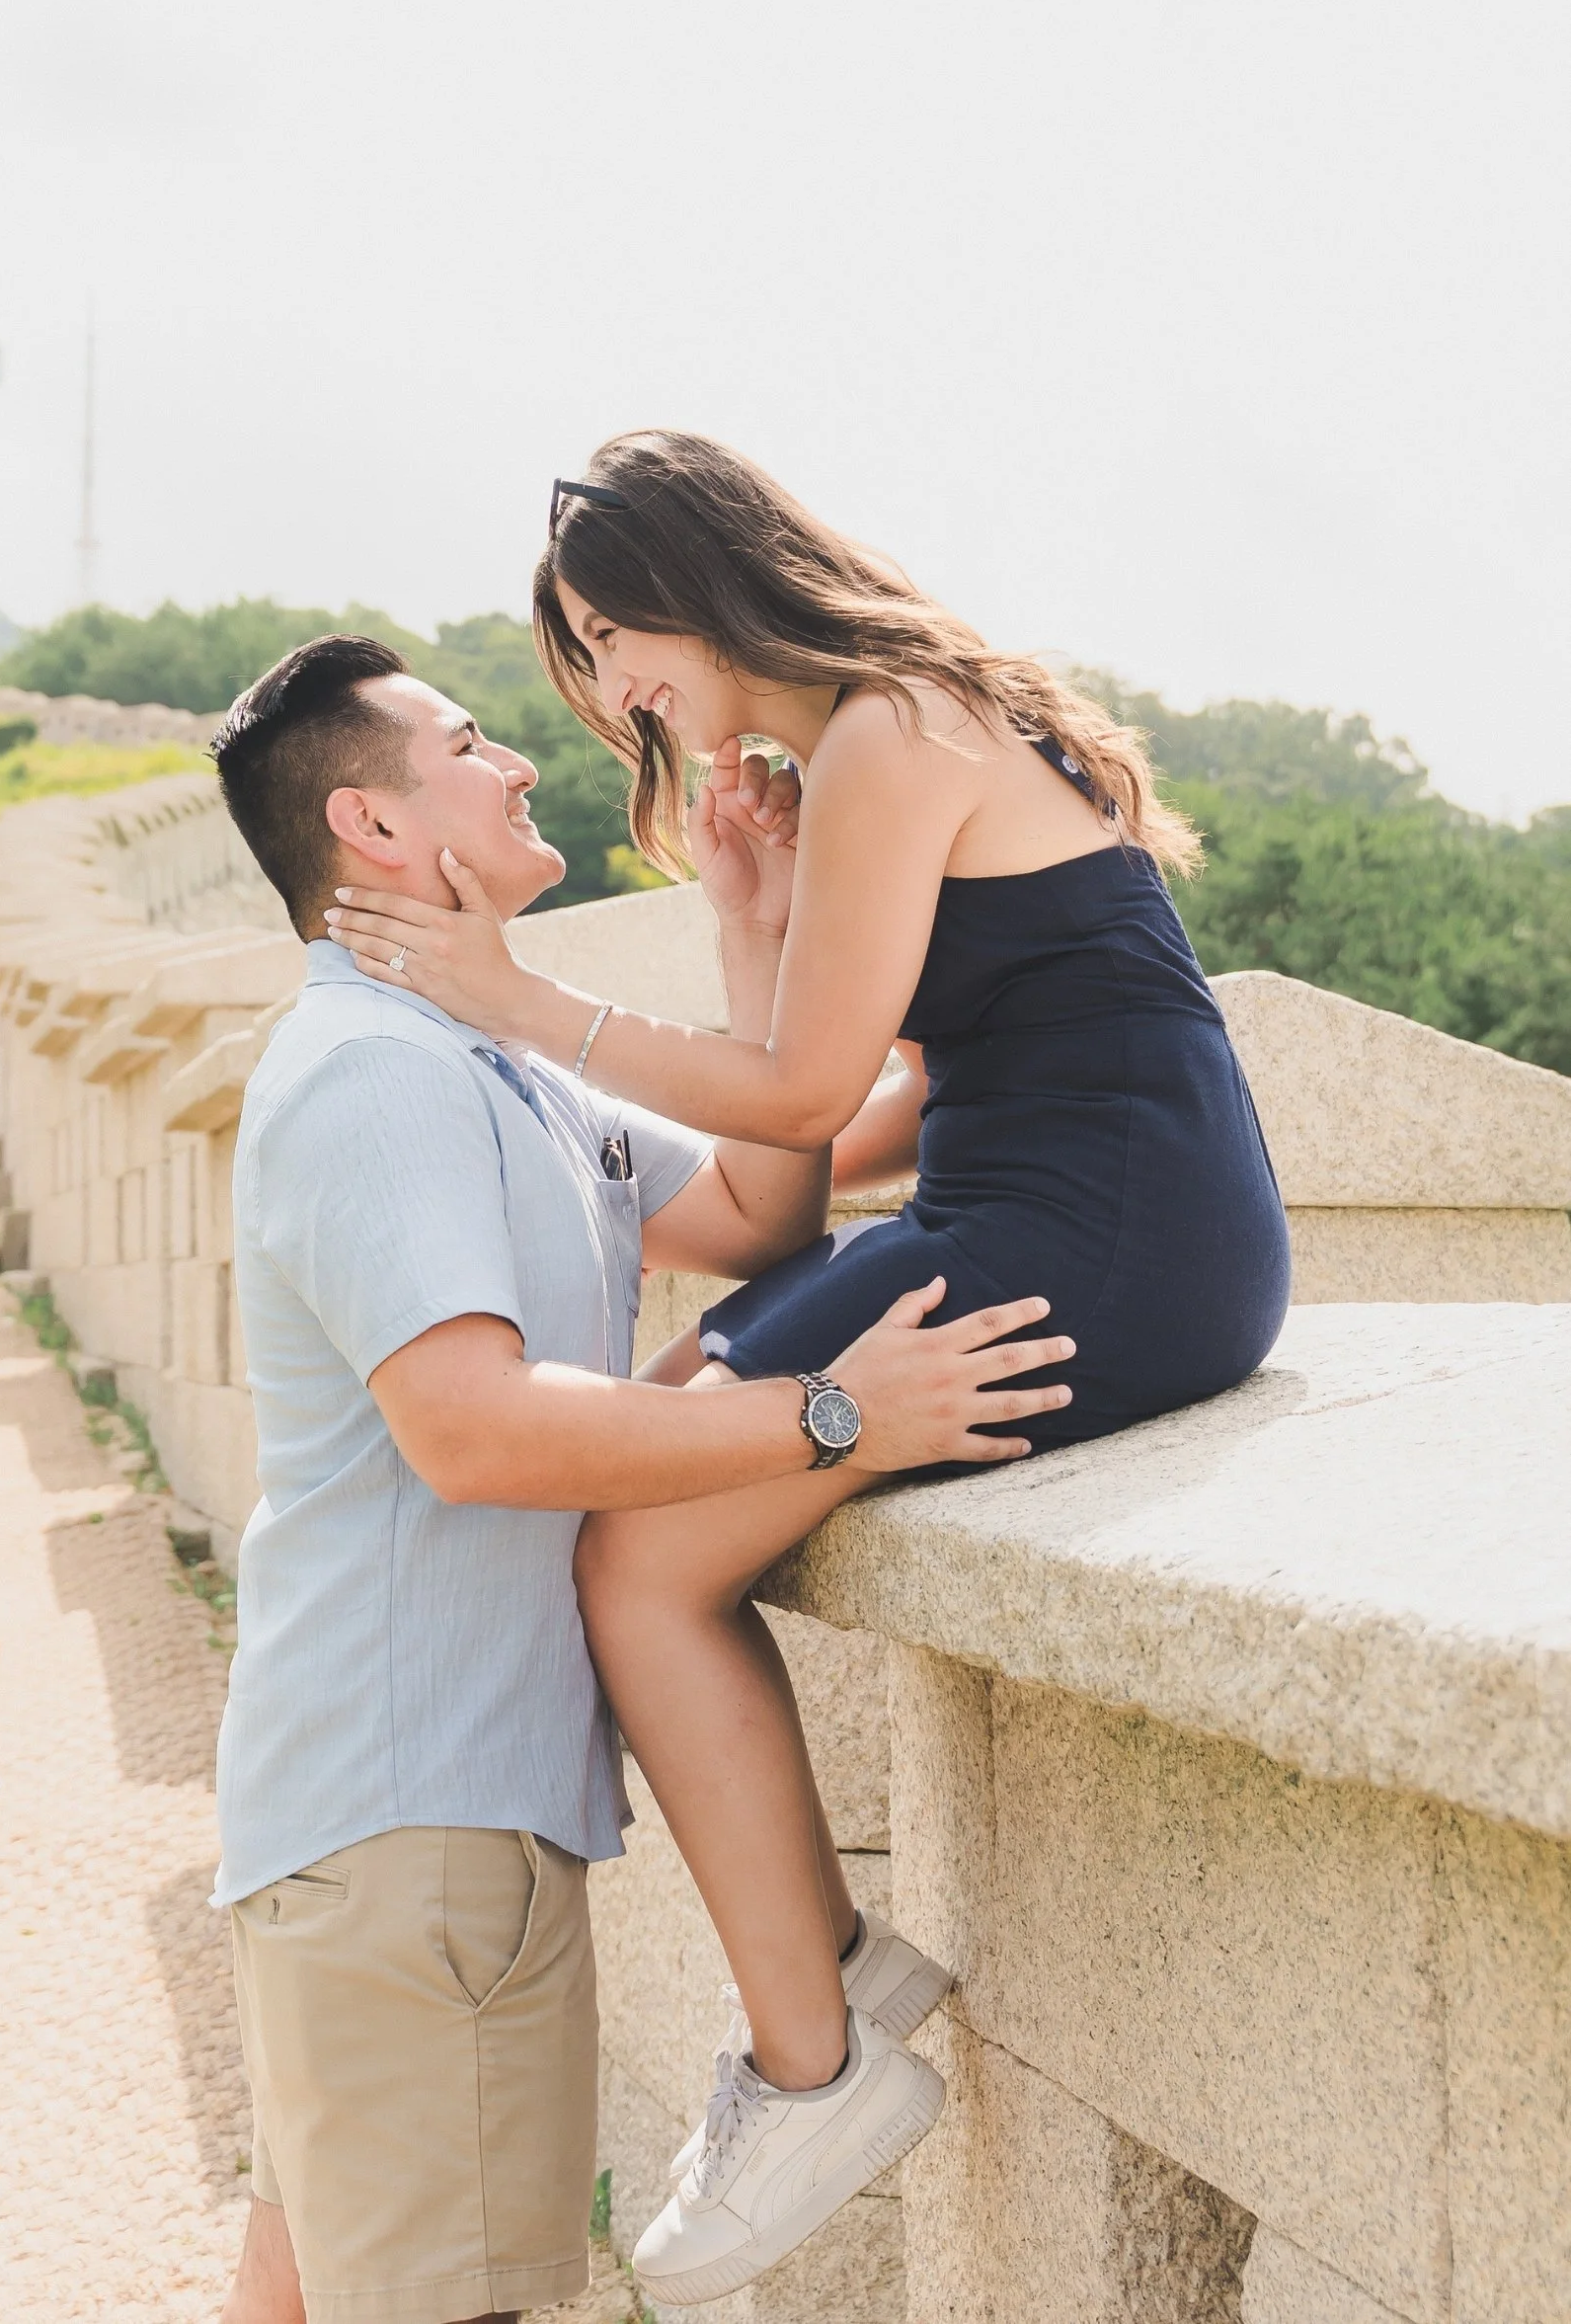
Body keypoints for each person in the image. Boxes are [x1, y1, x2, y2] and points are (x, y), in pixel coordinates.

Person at [320, 434, 1295, 2300]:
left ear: (702, 578)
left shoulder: (892, 733)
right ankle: (824, 1962)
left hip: (1098, 1232)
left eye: (608, 638)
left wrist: (509, 996)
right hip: (1080, 1203)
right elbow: (844, 1121)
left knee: (636, 1545)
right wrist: (750, 924)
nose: (611, 695)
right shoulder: (878, 738)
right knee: (658, 1454)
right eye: (579, 662)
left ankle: (814, 2061)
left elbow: (794, 1098)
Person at [205, 632, 1076, 2324]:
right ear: (374, 829)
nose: (522, 761)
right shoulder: (376, 1078)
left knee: (297, 2298)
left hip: (390, 1815)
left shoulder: (496, 1057)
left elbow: (758, 1213)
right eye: (467, 744)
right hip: (414, 1825)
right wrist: (836, 1417)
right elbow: (476, 1431)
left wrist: (760, 931)